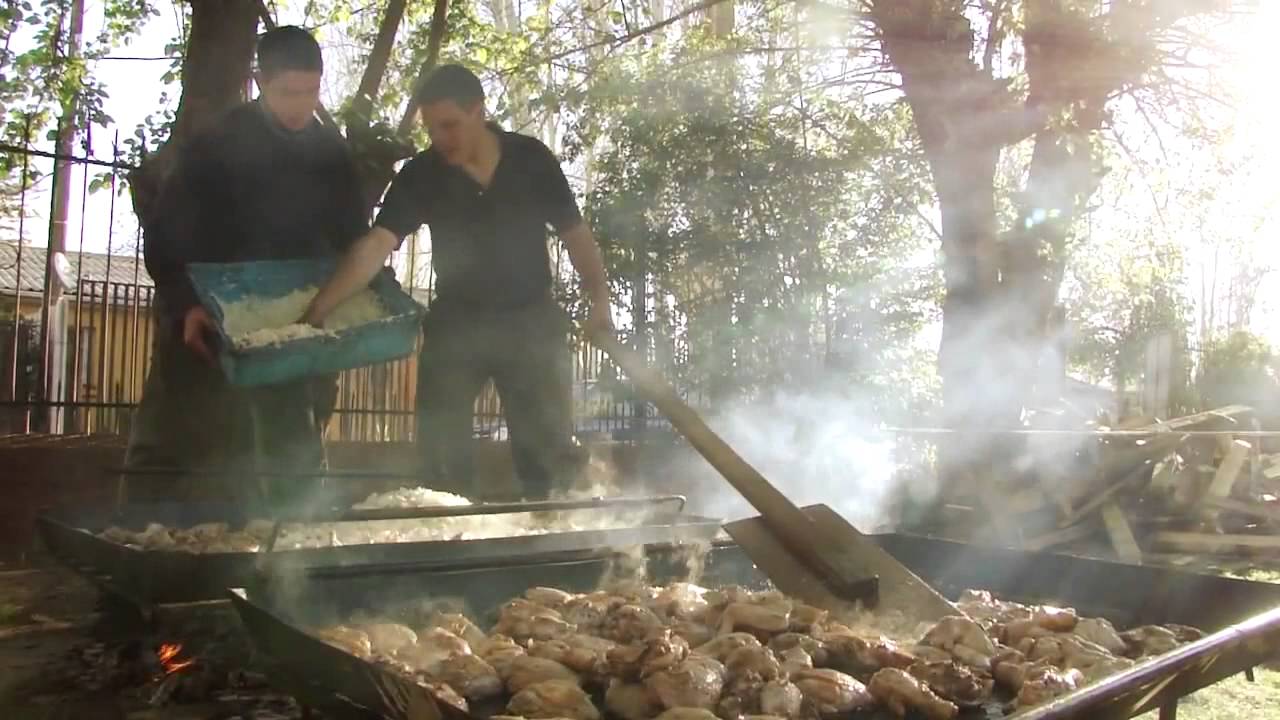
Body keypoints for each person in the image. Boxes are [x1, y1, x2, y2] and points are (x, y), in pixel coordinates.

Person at [303, 64, 612, 501]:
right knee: (441, 455)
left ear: (479, 111)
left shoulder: (531, 159)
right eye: (431, 128)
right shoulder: (421, 175)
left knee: (548, 453)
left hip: (531, 322)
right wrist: (317, 312)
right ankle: (446, 541)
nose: (439, 138)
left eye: (449, 125)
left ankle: (555, 544)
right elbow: (375, 245)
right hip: (456, 323)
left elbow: (576, 236)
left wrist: (600, 302)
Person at [125, 26, 366, 508]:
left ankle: (289, 561)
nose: (300, 106)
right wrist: (186, 305)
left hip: (294, 325)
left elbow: (354, 242)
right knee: (174, 435)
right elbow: (165, 233)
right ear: (259, 81)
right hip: (205, 315)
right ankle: (141, 545)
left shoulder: (333, 156)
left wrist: (355, 303)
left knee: (292, 446)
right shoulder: (216, 145)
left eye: (311, 92)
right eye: (287, 93)